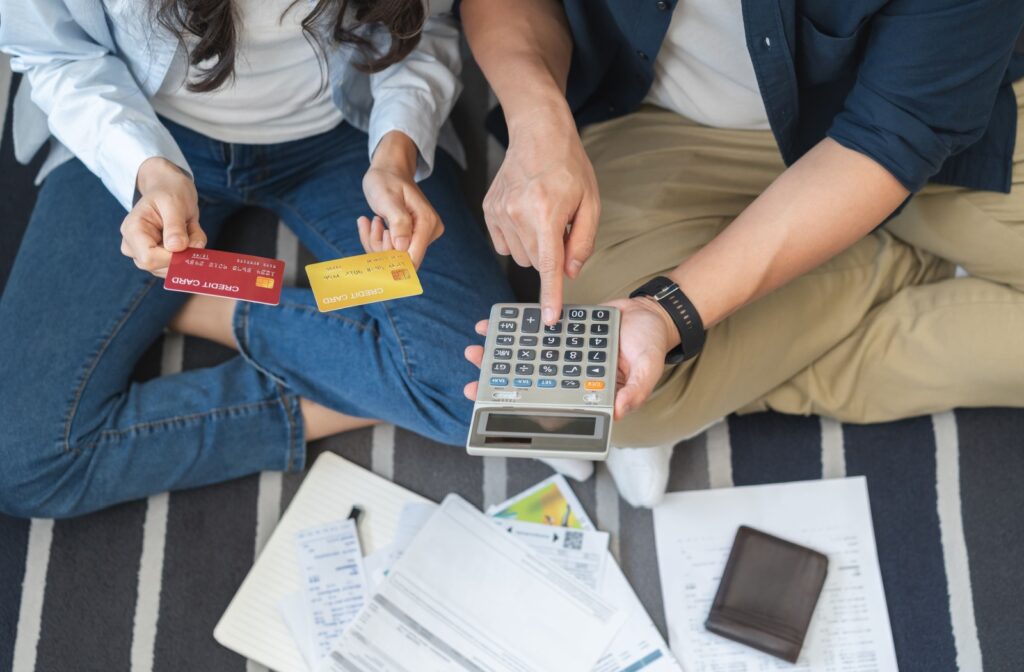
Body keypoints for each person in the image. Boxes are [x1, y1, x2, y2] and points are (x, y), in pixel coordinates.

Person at [459, 0, 1024, 506]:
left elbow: (898, 133)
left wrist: (673, 311)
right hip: (669, 128)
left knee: (644, 371)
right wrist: (540, 120)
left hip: (940, 120)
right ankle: (884, 262)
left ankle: (752, 348)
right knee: (608, 392)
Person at [0, 0, 513, 518]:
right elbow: (54, 52)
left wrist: (395, 154)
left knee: (491, 390)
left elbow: (429, 27)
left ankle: (206, 301)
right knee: (23, 459)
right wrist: (146, 168)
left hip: (345, 136)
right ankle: (386, 388)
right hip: (143, 124)